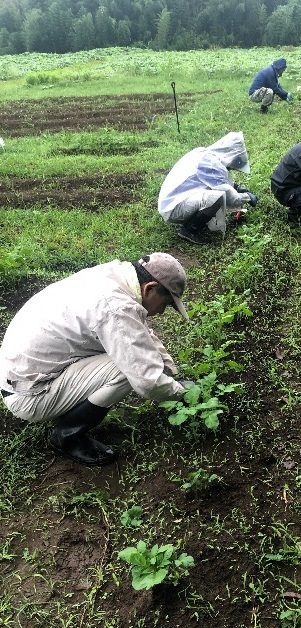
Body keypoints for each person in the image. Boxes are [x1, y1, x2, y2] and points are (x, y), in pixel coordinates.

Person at [0, 253, 192, 466]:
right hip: (29, 395)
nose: (162, 312)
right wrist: (184, 395)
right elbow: (147, 380)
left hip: (23, 373)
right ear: (150, 288)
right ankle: (67, 436)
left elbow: (139, 332)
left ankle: (66, 408)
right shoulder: (116, 306)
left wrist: (172, 372)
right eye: (165, 304)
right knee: (126, 369)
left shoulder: (116, 277)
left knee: (129, 353)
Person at [158, 132, 258, 245]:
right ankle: (189, 231)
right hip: (173, 208)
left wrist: (237, 187)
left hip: (173, 201)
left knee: (214, 194)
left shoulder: (205, 155)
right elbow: (231, 198)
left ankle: (194, 221)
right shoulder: (211, 164)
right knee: (217, 197)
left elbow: (214, 180)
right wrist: (247, 197)